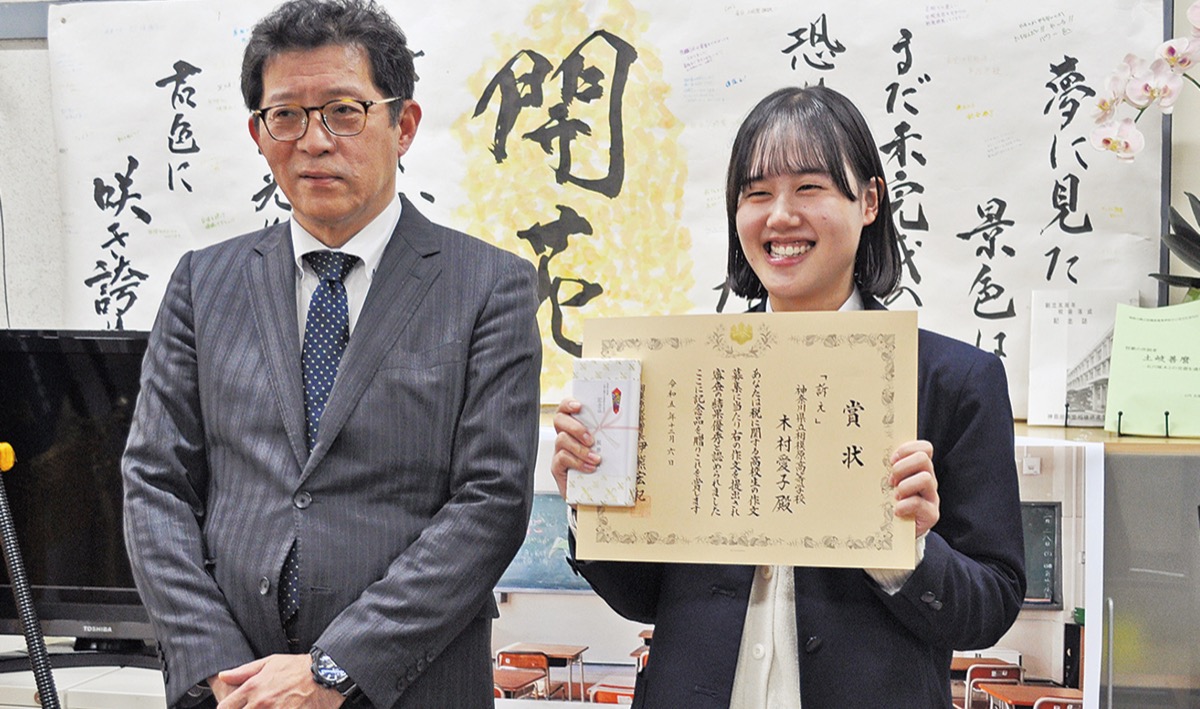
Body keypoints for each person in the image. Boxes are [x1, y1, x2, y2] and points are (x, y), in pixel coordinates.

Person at [121, 1, 541, 707]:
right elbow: (154, 483)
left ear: (403, 125)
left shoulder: (489, 286)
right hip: (234, 690)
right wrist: (216, 661)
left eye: (344, 111)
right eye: (286, 116)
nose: (314, 141)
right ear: (258, 134)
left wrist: (334, 668)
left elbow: (490, 502)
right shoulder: (203, 282)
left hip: (411, 684)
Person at [551, 85, 1025, 708]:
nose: (779, 217)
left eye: (808, 188)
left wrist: (907, 547)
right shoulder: (684, 373)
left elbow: (990, 606)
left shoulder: (954, 380)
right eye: (756, 194)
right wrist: (592, 500)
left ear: (869, 201)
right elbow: (643, 597)